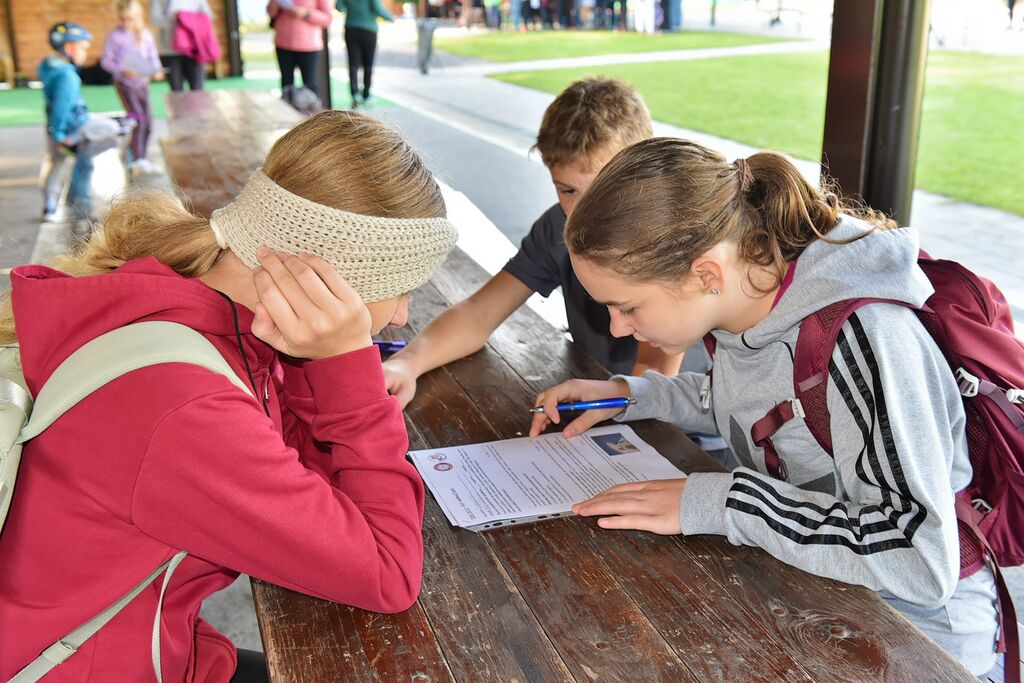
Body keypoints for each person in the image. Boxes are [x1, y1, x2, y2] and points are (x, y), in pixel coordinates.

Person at [0, 110, 458, 682]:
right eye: (402, 289)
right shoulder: (185, 407)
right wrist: (348, 372)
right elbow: (388, 572)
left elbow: (315, 489)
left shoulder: (200, 312)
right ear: (335, 276)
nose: (401, 316)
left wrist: (318, 362)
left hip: (152, 645)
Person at [528, 138, 999, 675]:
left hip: (919, 639)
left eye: (627, 306)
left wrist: (725, 501)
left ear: (706, 274)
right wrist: (631, 395)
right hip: (819, 598)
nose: (617, 328)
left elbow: (919, 560)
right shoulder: (747, 301)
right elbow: (756, 410)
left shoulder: (867, 338)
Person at [383, 77, 683, 410]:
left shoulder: (667, 236)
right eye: (568, 190)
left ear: (641, 170)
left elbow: (656, 373)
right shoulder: (557, 228)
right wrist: (408, 362)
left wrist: (617, 407)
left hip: (677, 419)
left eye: (603, 187)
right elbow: (479, 313)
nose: (584, 210)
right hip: (599, 396)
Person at [39, 22, 95, 222]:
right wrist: (59, 134)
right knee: (59, 163)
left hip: (57, 127)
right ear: (70, 48)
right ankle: (52, 207)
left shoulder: (53, 68)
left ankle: (51, 205)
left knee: (55, 163)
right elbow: (61, 108)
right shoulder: (67, 77)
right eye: (82, 48)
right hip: (66, 129)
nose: (85, 54)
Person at [101, 0, 164, 176]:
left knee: (148, 122)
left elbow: (153, 56)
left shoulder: (145, 34)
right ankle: (136, 158)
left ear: (138, 17)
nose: (126, 23)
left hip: (142, 84)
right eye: (123, 19)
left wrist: (157, 70)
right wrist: (122, 70)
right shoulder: (114, 36)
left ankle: (139, 156)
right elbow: (106, 61)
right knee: (138, 120)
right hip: (125, 85)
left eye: (130, 19)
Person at [267, 0, 332, 100]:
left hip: (309, 45)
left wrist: (306, 13)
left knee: (310, 85)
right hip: (283, 43)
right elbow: (271, 13)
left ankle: (312, 109)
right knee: (286, 84)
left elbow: (327, 19)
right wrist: (273, 5)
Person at [336, 0, 392, 108]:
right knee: (368, 65)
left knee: (353, 64)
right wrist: (391, 18)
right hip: (368, 30)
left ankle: (355, 94)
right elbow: (378, 9)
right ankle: (366, 95)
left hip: (351, 29)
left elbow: (339, 6)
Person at [151, 0, 211, 91]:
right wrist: (176, 20)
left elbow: (207, 15)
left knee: (197, 89)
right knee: (176, 90)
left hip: (194, 49)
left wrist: (187, 19)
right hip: (169, 51)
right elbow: (155, 18)